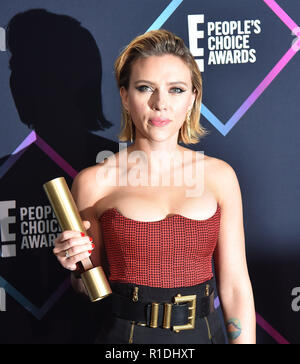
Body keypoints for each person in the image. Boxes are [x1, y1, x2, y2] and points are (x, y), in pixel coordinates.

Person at [53, 29, 256, 344]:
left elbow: (235, 287)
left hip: (205, 336)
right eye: (145, 88)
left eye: (176, 89)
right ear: (124, 95)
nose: (161, 103)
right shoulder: (94, 182)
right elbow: (88, 287)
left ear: (192, 98)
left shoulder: (220, 177)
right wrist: (75, 267)